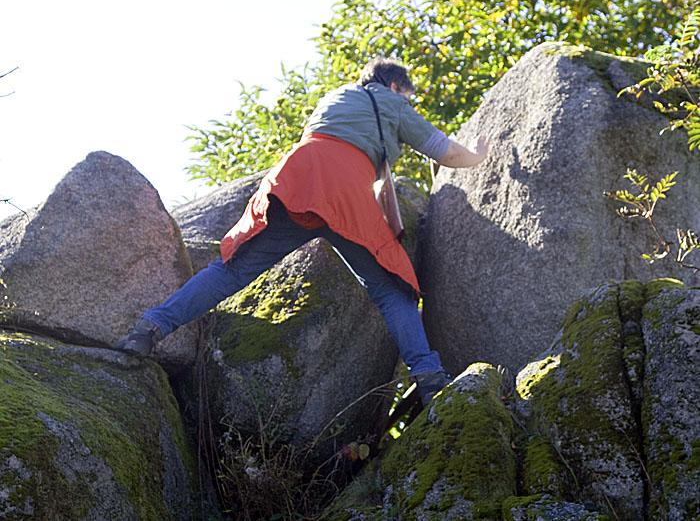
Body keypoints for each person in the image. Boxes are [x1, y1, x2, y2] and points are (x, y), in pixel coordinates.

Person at [115, 57, 489, 406]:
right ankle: (429, 378)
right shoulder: (390, 103)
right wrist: (477, 155)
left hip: (294, 180)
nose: (408, 100)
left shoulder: (336, 96)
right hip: (346, 192)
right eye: (407, 94)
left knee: (232, 271)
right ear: (394, 85)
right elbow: (443, 151)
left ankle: (149, 328)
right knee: (392, 291)